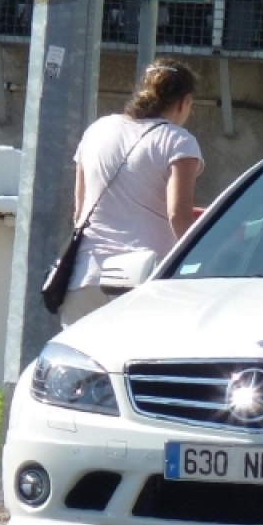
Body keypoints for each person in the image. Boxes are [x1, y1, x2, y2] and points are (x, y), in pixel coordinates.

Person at [61, 59, 203, 326]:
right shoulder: (179, 140)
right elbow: (178, 215)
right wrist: (203, 262)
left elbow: (80, 212)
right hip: (143, 279)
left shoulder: (97, 130)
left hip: (84, 278)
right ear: (184, 102)